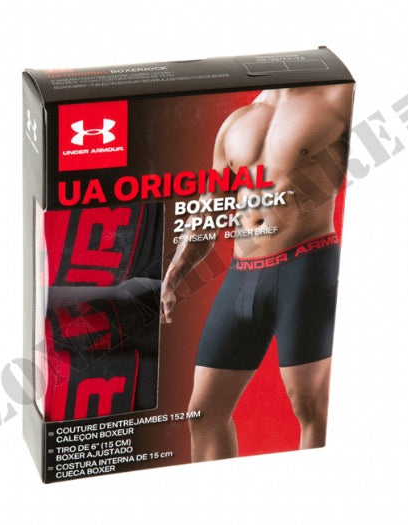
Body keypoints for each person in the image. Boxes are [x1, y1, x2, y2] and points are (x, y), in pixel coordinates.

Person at [161, 84, 354, 461]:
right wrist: (174, 273)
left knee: (313, 407)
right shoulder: (237, 121)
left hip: (306, 264)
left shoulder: (337, 97)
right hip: (241, 274)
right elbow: (210, 205)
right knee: (203, 413)